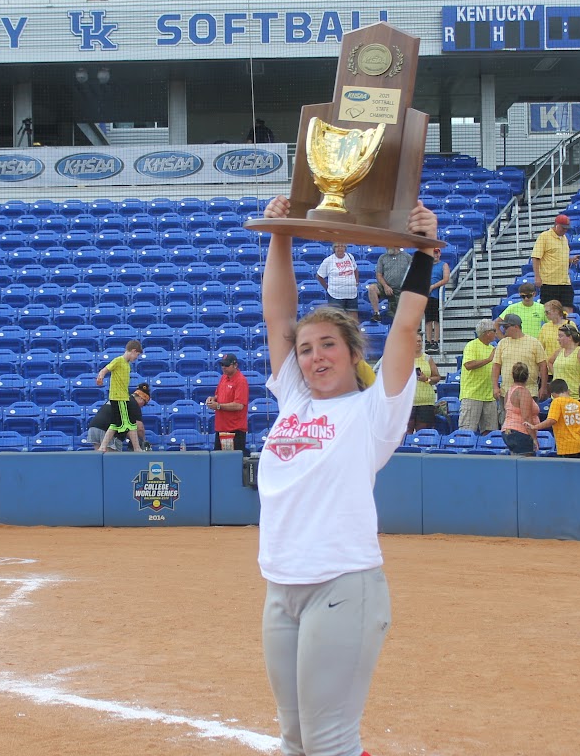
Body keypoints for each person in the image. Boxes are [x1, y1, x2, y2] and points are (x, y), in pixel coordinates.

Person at [255, 194, 436, 756]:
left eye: (327, 344)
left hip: (342, 586)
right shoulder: (293, 400)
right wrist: (281, 233)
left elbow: (405, 326)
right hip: (281, 587)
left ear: (351, 350)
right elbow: (278, 317)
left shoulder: (373, 410)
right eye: (306, 350)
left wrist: (425, 249)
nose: (313, 356)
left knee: (330, 740)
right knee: (295, 738)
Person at [95, 339, 144, 452]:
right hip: (119, 397)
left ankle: (103, 446)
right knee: (129, 423)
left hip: (122, 397)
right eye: (136, 355)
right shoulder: (118, 360)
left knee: (117, 423)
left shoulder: (127, 365)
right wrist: (100, 377)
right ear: (133, 351)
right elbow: (105, 369)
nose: (136, 358)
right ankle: (137, 448)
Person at [491, 312, 549, 406]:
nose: (503, 329)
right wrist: (495, 387)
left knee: (528, 419)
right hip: (506, 392)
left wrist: (543, 387)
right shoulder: (502, 343)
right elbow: (496, 366)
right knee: (506, 419)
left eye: (506, 327)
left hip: (529, 391)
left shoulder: (533, 342)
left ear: (516, 327)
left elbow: (543, 366)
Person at [531, 214, 580, 311]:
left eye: (566, 228)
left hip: (565, 282)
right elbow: (536, 257)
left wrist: (570, 260)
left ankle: (566, 326)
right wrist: (537, 276)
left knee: (568, 308)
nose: (565, 230)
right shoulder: (544, 237)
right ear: (556, 225)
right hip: (549, 282)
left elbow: (558, 257)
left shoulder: (564, 238)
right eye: (563, 228)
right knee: (549, 310)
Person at [458, 319, 498, 433]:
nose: (496, 333)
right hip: (472, 395)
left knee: (490, 432)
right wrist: (488, 360)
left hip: (489, 396)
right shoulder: (472, 345)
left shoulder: (492, 348)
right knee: (467, 430)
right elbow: (468, 365)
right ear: (487, 332)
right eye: (494, 330)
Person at [206, 353, 250, 456]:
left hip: (235, 430)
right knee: (218, 460)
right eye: (222, 365)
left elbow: (239, 405)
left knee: (233, 462)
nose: (223, 367)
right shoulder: (223, 378)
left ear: (235, 365)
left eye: (226, 365)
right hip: (221, 428)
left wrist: (218, 406)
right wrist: (212, 399)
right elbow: (218, 395)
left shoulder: (241, 381)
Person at [86, 384, 151, 450]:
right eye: (144, 403)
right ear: (141, 398)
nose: (142, 406)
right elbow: (139, 427)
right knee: (112, 458)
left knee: (99, 458)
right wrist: (143, 440)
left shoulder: (120, 398)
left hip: (94, 427)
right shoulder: (134, 404)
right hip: (107, 430)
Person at [534, 379, 580, 457]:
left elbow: (551, 420)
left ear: (553, 394)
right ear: (567, 390)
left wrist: (535, 427)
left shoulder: (556, 402)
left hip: (566, 446)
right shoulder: (577, 403)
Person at [548, 323, 580, 399]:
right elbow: (550, 362)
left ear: (570, 337)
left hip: (573, 397)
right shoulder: (559, 351)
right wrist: (556, 377)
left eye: (560, 336)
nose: (558, 339)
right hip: (556, 398)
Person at [501, 362, 539, 456]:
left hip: (507, 431)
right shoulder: (523, 392)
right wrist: (534, 438)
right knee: (527, 465)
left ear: (512, 375)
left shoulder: (509, 391)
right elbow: (526, 418)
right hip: (520, 432)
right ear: (527, 376)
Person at [366, 246, 411, 321]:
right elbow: (379, 275)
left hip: (402, 289)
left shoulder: (407, 257)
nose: (387, 247)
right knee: (372, 288)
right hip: (386, 288)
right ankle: (376, 313)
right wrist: (385, 286)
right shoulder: (382, 257)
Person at [411, 334, 444, 432]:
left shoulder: (428, 358)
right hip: (408, 402)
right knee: (406, 432)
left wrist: (426, 379)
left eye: (420, 341)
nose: (418, 343)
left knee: (423, 432)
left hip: (426, 402)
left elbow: (437, 377)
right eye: (416, 341)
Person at [316, 243, 359, 315]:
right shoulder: (328, 260)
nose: (340, 248)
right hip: (335, 296)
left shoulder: (350, 257)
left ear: (345, 248)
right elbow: (319, 276)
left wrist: (356, 281)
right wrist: (327, 287)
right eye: (337, 246)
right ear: (334, 248)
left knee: (353, 319)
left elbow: (355, 269)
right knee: (337, 319)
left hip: (352, 294)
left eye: (342, 246)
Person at [423, 258, 451, 352]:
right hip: (427, 296)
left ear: (439, 254)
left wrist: (433, 286)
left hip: (437, 296)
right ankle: (428, 341)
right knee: (428, 320)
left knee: (436, 319)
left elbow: (446, 279)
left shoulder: (443, 265)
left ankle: (435, 341)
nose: (435, 255)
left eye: (436, 252)